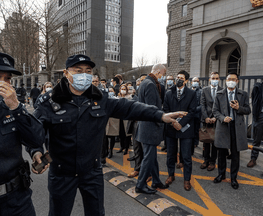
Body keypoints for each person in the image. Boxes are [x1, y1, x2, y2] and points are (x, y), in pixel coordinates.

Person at [30, 54, 184, 215]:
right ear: (66, 73)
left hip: (92, 172)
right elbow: (33, 130)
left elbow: (130, 108)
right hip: (62, 173)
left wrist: (159, 115)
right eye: (78, 70)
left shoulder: (100, 98)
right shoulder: (49, 101)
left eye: (88, 71)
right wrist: (36, 151)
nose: (84, 75)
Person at [0, 52, 45, 216]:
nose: (3, 84)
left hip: (17, 199)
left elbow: (36, 138)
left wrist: (35, 152)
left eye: (7, 79)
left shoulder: (12, 107)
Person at [135, 64, 173, 194]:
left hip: (145, 127)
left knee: (151, 157)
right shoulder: (150, 85)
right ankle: (140, 184)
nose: (163, 77)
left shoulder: (145, 82)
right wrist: (162, 120)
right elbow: (152, 110)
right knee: (148, 158)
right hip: (149, 128)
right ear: (157, 72)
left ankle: (156, 181)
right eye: (163, 74)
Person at [212, 73, 251, 189]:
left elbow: (248, 110)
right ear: (226, 81)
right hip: (223, 126)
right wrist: (223, 118)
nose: (231, 81)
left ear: (237, 81)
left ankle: (233, 178)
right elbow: (215, 111)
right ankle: (221, 174)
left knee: (235, 154)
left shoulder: (243, 94)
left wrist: (239, 108)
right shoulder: (219, 94)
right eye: (229, 79)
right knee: (222, 153)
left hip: (236, 127)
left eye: (233, 79)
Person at [163, 70, 197, 191]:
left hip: (186, 129)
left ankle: (187, 180)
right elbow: (165, 110)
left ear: (186, 80)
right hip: (171, 128)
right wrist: (174, 122)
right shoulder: (168, 93)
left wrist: (180, 124)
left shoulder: (191, 94)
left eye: (181, 78)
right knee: (170, 155)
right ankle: (170, 175)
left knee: (186, 156)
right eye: (177, 77)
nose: (178, 79)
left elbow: (192, 112)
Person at [200, 72, 223, 171]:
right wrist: (206, 117)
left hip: (217, 120)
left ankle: (213, 161)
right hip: (207, 120)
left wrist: (216, 118)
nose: (215, 79)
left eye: (217, 78)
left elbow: (223, 106)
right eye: (213, 78)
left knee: (214, 142)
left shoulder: (222, 90)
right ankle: (206, 160)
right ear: (210, 79)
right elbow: (202, 104)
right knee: (206, 141)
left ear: (219, 79)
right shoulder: (205, 90)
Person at [116, 84, 132, 155]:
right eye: (122, 89)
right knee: (121, 133)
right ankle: (121, 146)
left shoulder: (129, 97)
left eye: (124, 89)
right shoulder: (117, 97)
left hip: (126, 117)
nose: (123, 90)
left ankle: (126, 148)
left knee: (127, 134)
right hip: (119, 118)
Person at [191, 77, 202, 151]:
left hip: (196, 114)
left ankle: (195, 143)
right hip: (189, 114)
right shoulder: (188, 90)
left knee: (196, 129)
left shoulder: (201, 91)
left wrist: (194, 110)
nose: (195, 82)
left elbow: (201, 105)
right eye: (194, 81)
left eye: (197, 81)